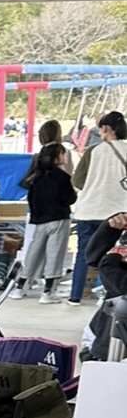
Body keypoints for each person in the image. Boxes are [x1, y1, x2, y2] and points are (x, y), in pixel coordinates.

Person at [68, 112, 127, 303]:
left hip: (88, 210)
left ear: (105, 128)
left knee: (84, 255)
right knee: (110, 255)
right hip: (117, 213)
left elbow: (78, 181)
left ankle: (75, 296)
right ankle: (107, 296)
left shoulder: (93, 151)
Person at [11, 143, 76, 304]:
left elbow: (31, 199)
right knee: (55, 254)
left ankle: (20, 286)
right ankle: (48, 291)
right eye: (63, 154)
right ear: (56, 157)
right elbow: (70, 198)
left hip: (40, 221)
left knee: (33, 253)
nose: (65, 157)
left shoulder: (36, 177)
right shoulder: (62, 177)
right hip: (58, 219)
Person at [83, 212, 127, 360]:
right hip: (107, 334)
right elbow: (93, 258)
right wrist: (110, 228)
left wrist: (111, 260)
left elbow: (123, 287)